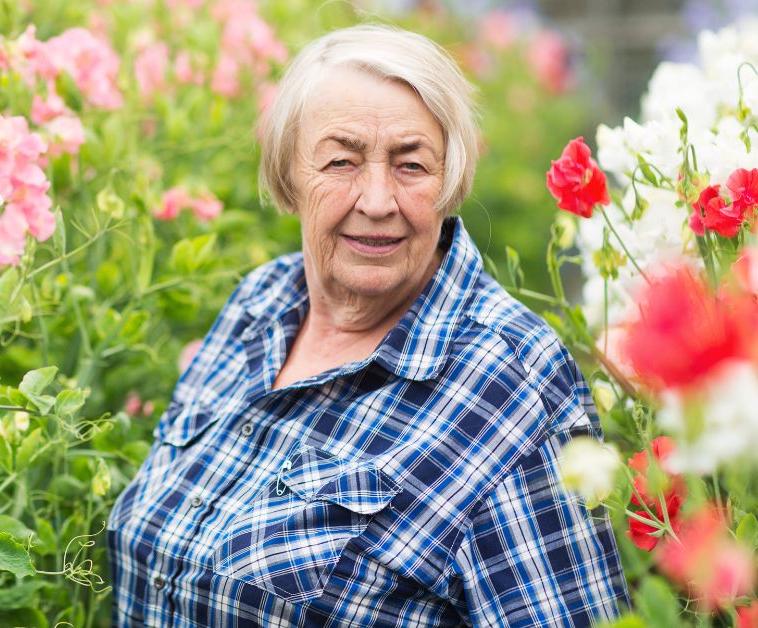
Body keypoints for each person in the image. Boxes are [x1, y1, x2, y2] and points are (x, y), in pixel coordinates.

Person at [107, 24, 630, 627]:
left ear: (449, 181)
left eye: (411, 165)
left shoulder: (509, 379)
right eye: (341, 160)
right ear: (289, 176)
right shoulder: (260, 303)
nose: (378, 200)